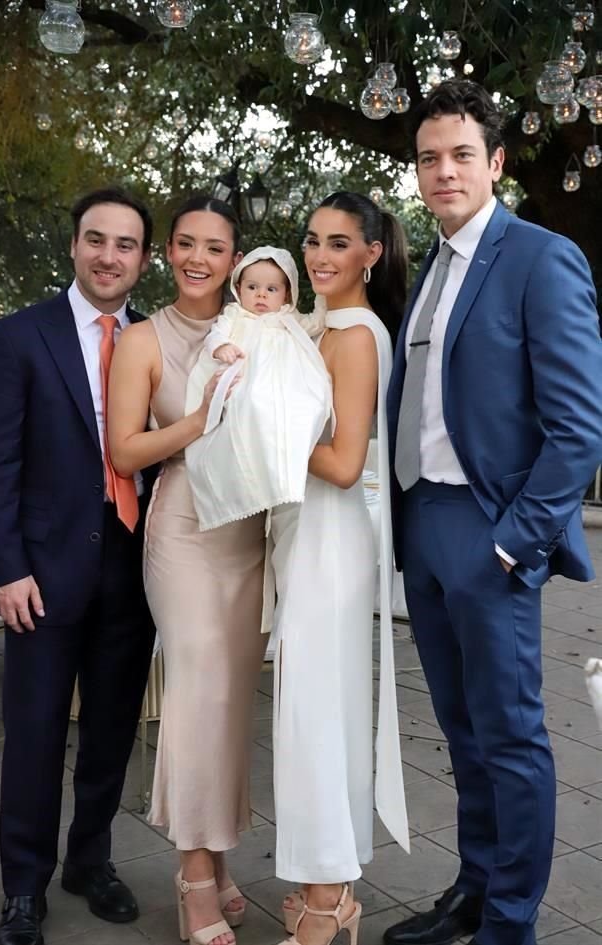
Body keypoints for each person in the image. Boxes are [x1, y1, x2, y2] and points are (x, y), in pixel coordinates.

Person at [385, 80, 602, 945]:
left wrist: (514, 544)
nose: (444, 171)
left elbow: (578, 427)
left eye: (462, 154)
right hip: (423, 525)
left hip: (490, 530)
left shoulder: (540, 257)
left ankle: (511, 923)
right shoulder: (431, 263)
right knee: (461, 729)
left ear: (496, 162)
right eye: (430, 157)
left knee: (511, 737)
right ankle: (474, 890)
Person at [0, 186, 158, 945]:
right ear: (74, 245)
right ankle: (23, 886)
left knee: (113, 729)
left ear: (144, 259)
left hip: (134, 567)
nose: (108, 255)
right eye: (96, 239)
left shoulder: (157, 338)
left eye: (124, 244)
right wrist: (6, 567)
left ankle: (90, 858)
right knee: (36, 732)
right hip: (41, 576)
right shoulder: (17, 337)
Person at [106, 195, 266, 945]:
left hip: (248, 534)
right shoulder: (143, 339)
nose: (200, 259)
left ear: (237, 259)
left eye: (216, 247)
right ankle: (193, 875)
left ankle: (219, 855)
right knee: (199, 693)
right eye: (186, 245)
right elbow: (125, 452)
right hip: (183, 527)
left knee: (232, 701)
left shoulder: (262, 331)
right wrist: (198, 422)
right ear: (168, 252)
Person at [272, 192, 410, 945]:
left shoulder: (355, 335)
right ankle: (325, 882)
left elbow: (346, 461)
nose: (319, 255)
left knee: (319, 714)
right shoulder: (323, 326)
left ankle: (328, 901)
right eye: (311, 239)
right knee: (311, 710)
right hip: (313, 537)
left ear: (370, 253)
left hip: (332, 538)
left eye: (337, 242)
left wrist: (264, 428)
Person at [184, 245, 330, 533]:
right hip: (247, 382)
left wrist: (324, 294)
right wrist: (222, 347)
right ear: (238, 288)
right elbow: (216, 334)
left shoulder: (289, 318)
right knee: (249, 406)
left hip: (284, 389)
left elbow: (316, 322)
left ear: (286, 294)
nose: (261, 295)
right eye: (252, 287)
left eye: (272, 289)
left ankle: (280, 476)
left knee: (302, 410)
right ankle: (248, 479)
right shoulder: (236, 315)